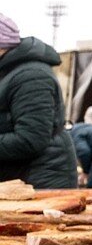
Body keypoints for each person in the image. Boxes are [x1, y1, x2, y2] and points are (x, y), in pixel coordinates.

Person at [0, 14, 78, 188]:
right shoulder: (8, 73)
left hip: (42, 178)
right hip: (21, 175)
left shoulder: (31, 76)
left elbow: (30, 139)